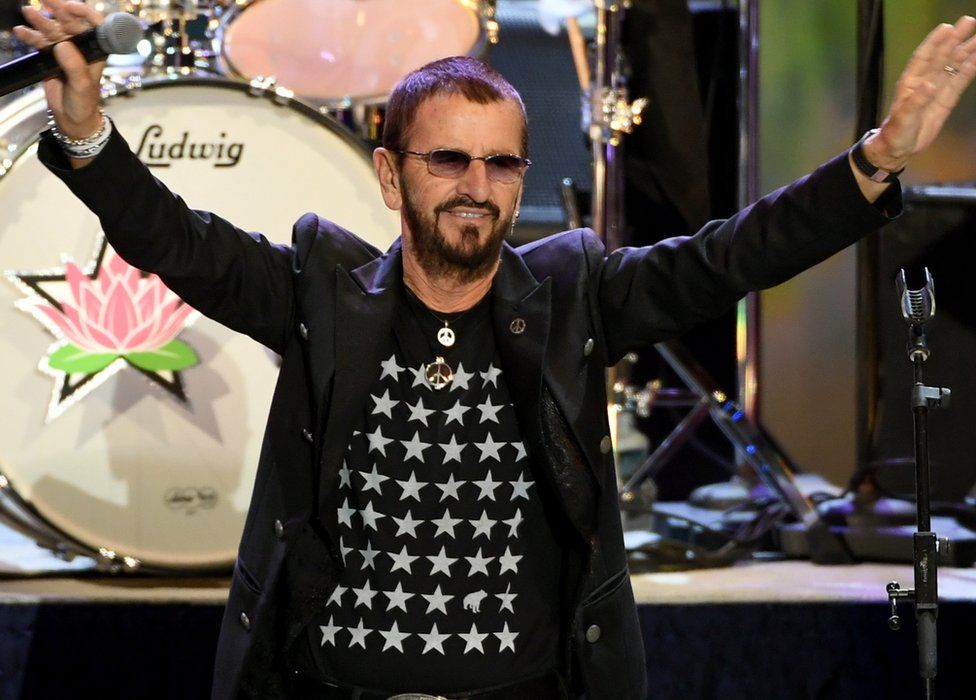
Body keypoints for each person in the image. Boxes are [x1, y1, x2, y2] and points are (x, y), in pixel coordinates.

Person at [14, 1, 976, 698]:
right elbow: (179, 243)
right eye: (448, 160)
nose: (476, 186)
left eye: (501, 163)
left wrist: (877, 161)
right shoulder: (320, 292)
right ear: (390, 174)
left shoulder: (574, 295)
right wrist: (87, 133)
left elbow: (732, 256)